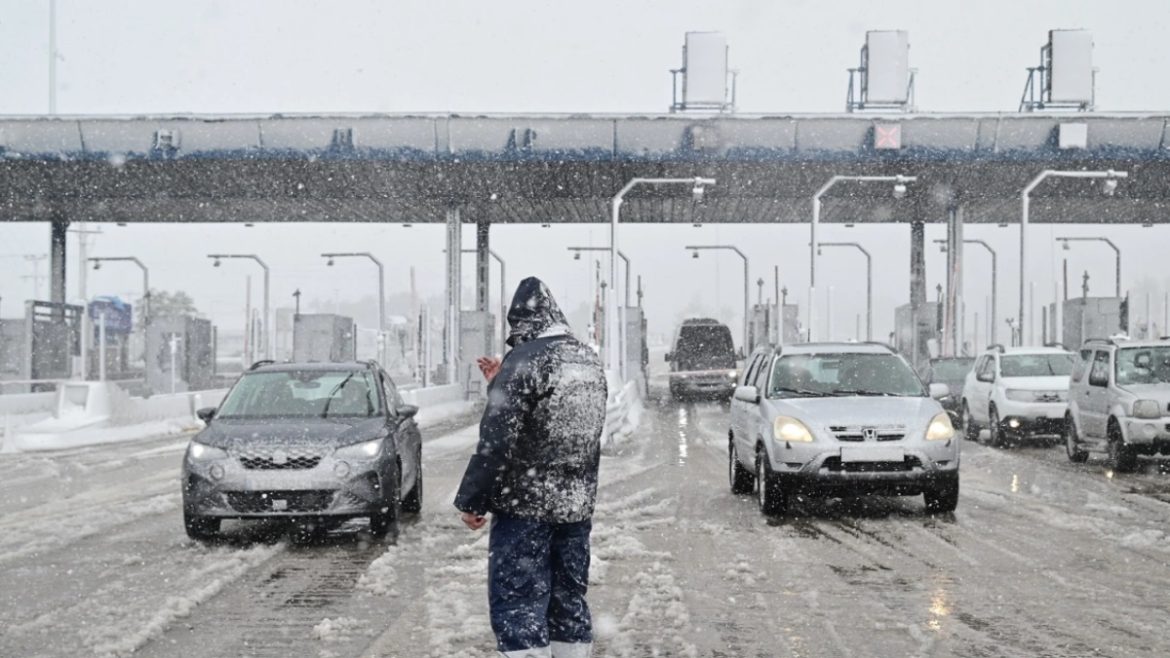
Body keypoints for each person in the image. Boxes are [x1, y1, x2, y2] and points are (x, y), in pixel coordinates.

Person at [455, 277, 608, 658]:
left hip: (524, 506)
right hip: (575, 505)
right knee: (567, 599)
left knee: (519, 603)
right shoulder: (587, 359)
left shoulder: (525, 361)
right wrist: (500, 382)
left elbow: (496, 442)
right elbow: (557, 418)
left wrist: (474, 500)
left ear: (523, 325)